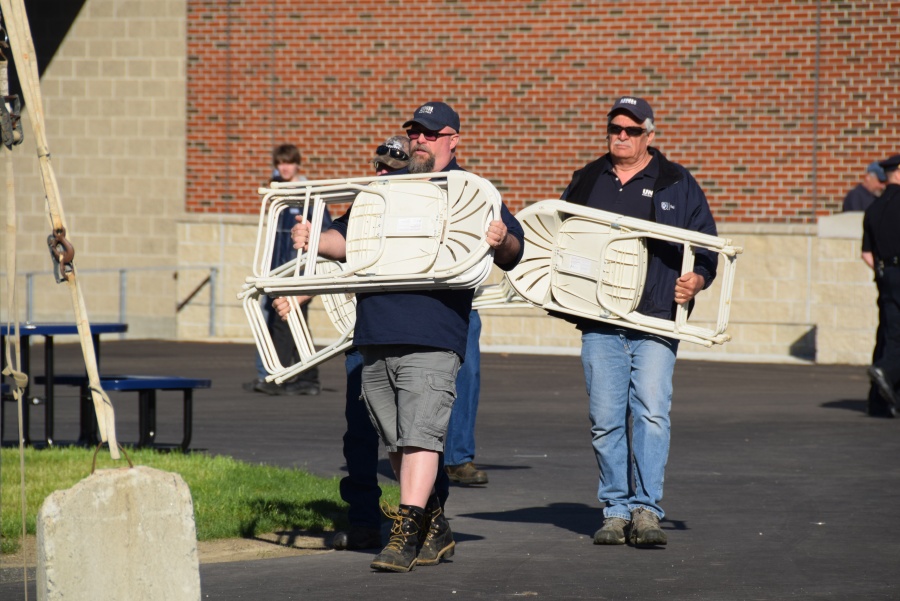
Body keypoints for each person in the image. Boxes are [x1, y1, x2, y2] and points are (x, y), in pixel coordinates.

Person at [291, 101, 524, 572]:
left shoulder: (469, 191)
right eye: (415, 132)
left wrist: (501, 239)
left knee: (420, 434)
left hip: (433, 329)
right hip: (376, 329)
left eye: (430, 134)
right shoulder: (382, 190)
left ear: (452, 140)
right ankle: (434, 529)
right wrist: (315, 239)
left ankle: (404, 532)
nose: (419, 140)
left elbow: (513, 253)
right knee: (397, 440)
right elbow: (345, 239)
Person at [559, 96, 718, 547]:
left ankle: (647, 511)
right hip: (601, 320)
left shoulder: (676, 181)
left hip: (656, 322)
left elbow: (706, 245)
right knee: (606, 419)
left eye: (631, 130)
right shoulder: (587, 179)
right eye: (615, 129)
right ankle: (615, 509)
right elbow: (562, 239)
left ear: (650, 134)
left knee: (650, 414)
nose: (621, 137)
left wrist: (697, 279)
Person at [243, 144, 331, 395]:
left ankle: (284, 377)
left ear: (297, 165)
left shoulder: (308, 195)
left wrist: (310, 270)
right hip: (277, 269)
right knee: (285, 323)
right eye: (280, 162)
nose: (284, 167)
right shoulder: (277, 193)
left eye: (289, 162)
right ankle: (294, 377)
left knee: (290, 323)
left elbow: (322, 233)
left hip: (298, 271)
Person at [862, 154, 900, 416]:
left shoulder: (873, 208)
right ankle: (886, 371)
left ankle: (880, 402)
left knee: (887, 332)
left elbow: (866, 254)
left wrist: (883, 271)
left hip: (884, 274)